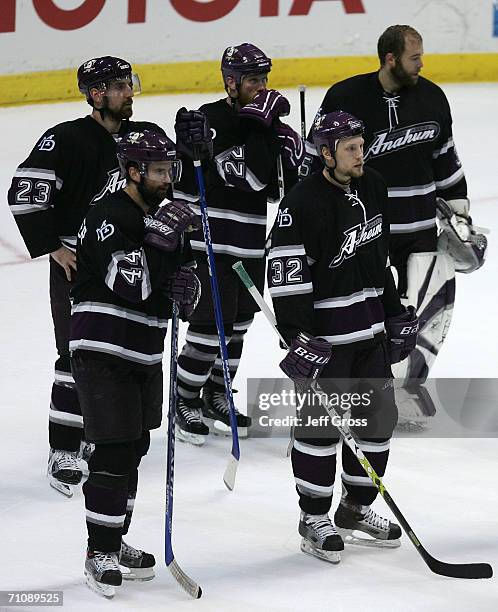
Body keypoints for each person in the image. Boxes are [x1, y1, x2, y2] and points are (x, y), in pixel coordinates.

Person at [300, 25, 485, 427]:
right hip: (365, 231)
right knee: (368, 315)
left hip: (419, 229)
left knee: (428, 311)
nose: (422, 64)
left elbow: (446, 162)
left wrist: (461, 217)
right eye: (414, 57)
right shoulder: (345, 97)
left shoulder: (433, 98)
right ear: (390, 58)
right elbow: (318, 161)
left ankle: (404, 392)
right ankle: (356, 394)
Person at [7, 56, 165, 495]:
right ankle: (64, 447)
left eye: (129, 84)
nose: (130, 92)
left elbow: (173, 184)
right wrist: (54, 247)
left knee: (124, 356)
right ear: (96, 94)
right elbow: (24, 191)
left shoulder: (143, 138)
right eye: (119, 86)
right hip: (81, 269)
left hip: (133, 264)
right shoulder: (66, 140)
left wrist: (195, 153)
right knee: (76, 356)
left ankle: (105, 437)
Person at [268, 111, 419, 563]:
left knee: (377, 424)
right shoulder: (301, 202)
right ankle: (313, 516)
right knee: (320, 430)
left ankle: (355, 508)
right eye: (350, 148)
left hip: (370, 332)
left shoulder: (372, 185)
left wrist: (394, 313)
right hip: (326, 342)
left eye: (361, 145)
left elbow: (379, 257)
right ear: (327, 153)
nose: (361, 154)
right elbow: (285, 272)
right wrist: (296, 336)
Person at [70, 130, 200, 598]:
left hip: (144, 349)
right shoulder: (107, 215)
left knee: (137, 447)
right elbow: (133, 283)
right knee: (114, 449)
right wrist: (163, 246)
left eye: (171, 171)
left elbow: (176, 291)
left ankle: (114, 536)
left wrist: (189, 289)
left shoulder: (166, 218)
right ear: (133, 172)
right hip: (103, 347)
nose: (168, 180)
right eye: (160, 172)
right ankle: (98, 550)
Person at [172, 43, 304, 444]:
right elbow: (235, 177)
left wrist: (281, 140)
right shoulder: (207, 120)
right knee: (209, 327)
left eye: (264, 79)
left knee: (238, 326)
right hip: (208, 241)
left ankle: (215, 392)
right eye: (252, 80)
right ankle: (184, 398)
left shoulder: (268, 125)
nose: (260, 87)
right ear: (230, 82)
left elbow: (279, 186)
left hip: (248, 240)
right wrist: (195, 157)